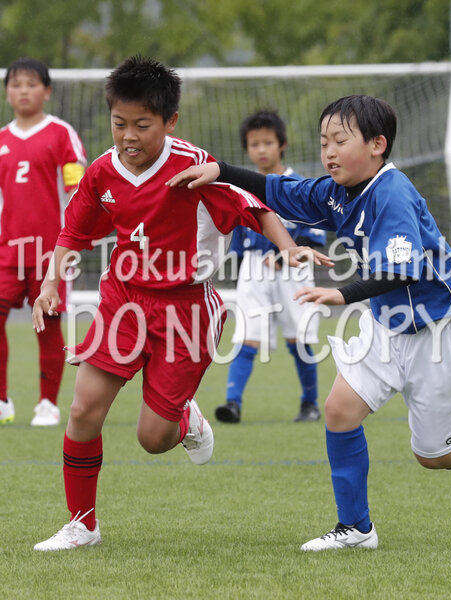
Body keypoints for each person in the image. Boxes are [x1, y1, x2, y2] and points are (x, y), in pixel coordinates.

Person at [168, 94, 451, 552]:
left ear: (378, 145)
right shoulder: (338, 192)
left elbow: (402, 271)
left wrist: (341, 294)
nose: (329, 152)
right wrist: (220, 170)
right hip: (386, 327)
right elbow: (280, 191)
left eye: (340, 140)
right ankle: (356, 528)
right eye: (324, 142)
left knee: (434, 453)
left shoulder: (392, 192)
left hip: (441, 333)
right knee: (339, 412)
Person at [30, 55, 331, 552]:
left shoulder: (196, 167)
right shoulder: (103, 171)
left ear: (170, 121)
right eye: (119, 123)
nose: (128, 136)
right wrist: (48, 284)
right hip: (123, 299)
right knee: (83, 410)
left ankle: (185, 419)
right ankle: (82, 524)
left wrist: (289, 247)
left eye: (142, 125)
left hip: (186, 310)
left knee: (152, 439)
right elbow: (73, 231)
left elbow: (255, 208)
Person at [0, 58, 87, 427]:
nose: (24, 91)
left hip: (51, 253)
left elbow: (78, 190)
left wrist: (77, 241)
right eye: (16, 85)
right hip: (4, 250)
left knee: (47, 323)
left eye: (32, 84)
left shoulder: (62, 134)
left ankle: (48, 404)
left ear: (47, 91)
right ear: (6, 93)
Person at [218, 110, 327, 424]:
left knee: (299, 338)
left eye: (268, 142)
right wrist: (243, 272)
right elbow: (239, 237)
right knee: (247, 334)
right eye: (254, 144)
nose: (261, 150)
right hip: (254, 269)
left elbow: (314, 236)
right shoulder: (242, 188)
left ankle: (310, 404)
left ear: (282, 145)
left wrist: (283, 255)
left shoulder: (299, 185)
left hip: (293, 270)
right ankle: (232, 404)